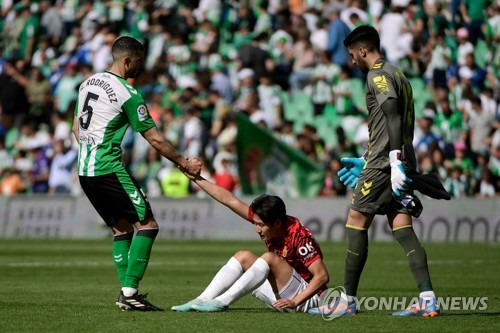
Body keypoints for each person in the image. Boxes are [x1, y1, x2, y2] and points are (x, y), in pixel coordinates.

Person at [312, 26, 439, 317]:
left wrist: (390, 159)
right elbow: (388, 119)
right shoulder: (399, 74)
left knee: (356, 219)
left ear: (363, 50)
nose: (352, 61)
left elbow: (391, 109)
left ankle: (348, 302)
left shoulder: (377, 74)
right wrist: (373, 156)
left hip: (386, 163)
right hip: (398, 159)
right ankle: (428, 298)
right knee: (402, 227)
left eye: (352, 55)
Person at [72, 36, 202, 311]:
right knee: (148, 225)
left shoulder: (87, 84)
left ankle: (127, 294)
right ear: (127, 60)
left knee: (121, 230)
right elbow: (154, 139)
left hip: (85, 170)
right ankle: (129, 292)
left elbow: (76, 129)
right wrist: (183, 162)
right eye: (140, 61)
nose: (142, 67)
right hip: (108, 168)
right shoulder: (128, 93)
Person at [171, 175, 329, 313]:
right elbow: (229, 199)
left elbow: (322, 276)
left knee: (269, 258)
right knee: (243, 256)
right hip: (282, 296)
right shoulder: (268, 219)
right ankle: (202, 300)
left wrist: (295, 301)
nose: (257, 229)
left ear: (278, 223)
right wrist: (197, 179)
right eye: (255, 223)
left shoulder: (298, 236)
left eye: (261, 225)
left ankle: (221, 303)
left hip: (306, 300)